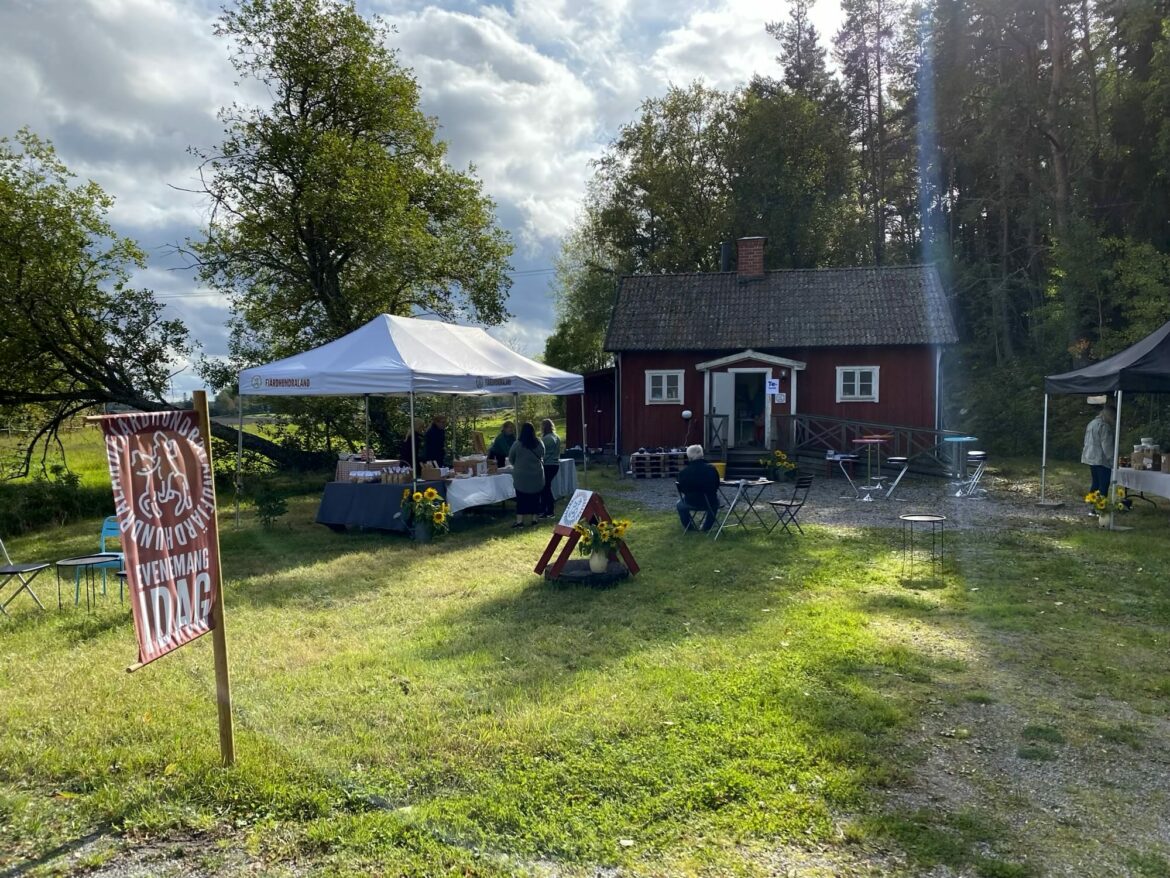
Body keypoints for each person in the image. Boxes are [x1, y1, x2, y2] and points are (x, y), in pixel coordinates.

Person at [676, 444, 721, 532]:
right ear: (702, 454)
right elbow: (716, 485)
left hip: (690, 502)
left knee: (679, 504)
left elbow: (681, 489)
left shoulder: (683, 472)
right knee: (716, 502)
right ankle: (706, 527)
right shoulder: (711, 469)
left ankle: (689, 528)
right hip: (710, 501)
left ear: (689, 456)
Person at [508, 422, 545, 527]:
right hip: (537, 475)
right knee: (535, 498)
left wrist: (519, 464)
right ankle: (534, 520)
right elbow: (543, 454)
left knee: (521, 499)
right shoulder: (539, 442)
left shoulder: (517, 444)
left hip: (521, 476)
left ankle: (519, 522)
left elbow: (511, 458)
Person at [1081, 403, 1116, 506]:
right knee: (1103, 485)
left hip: (1090, 457)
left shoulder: (1091, 423)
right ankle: (1099, 508)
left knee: (1095, 482)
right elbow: (1107, 446)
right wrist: (1112, 461)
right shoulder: (1104, 426)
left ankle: (1091, 504)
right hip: (1101, 459)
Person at [538, 418, 562, 519]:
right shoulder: (557, 437)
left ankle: (549, 510)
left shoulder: (546, 439)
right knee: (546, 487)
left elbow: (542, 453)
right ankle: (545, 509)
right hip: (555, 464)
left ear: (544, 427)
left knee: (545, 488)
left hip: (548, 464)